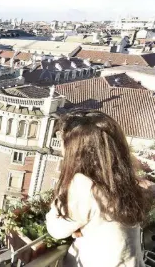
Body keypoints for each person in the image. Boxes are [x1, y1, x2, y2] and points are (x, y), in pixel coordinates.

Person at [46, 110, 152, 267]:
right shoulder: (123, 179)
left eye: (62, 142)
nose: (61, 148)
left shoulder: (84, 184)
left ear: (77, 150)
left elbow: (56, 229)